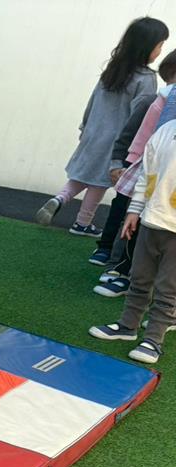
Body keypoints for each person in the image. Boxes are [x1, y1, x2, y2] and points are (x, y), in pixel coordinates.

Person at [35, 17, 168, 236]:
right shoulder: (146, 79)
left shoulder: (113, 69)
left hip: (93, 131)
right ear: (147, 46)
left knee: (81, 175)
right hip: (116, 140)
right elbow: (139, 116)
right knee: (99, 182)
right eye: (160, 45)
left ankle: (59, 198)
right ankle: (82, 223)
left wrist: (85, 126)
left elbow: (93, 100)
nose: (161, 50)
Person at [89, 115, 176, 363]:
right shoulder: (165, 130)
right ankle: (128, 326)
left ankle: (153, 340)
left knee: (168, 289)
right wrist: (134, 211)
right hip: (151, 220)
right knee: (139, 278)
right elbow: (146, 174)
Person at [93, 53, 176, 298]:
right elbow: (145, 136)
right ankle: (124, 270)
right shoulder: (164, 98)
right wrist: (131, 161)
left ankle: (152, 288)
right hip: (155, 171)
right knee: (138, 222)